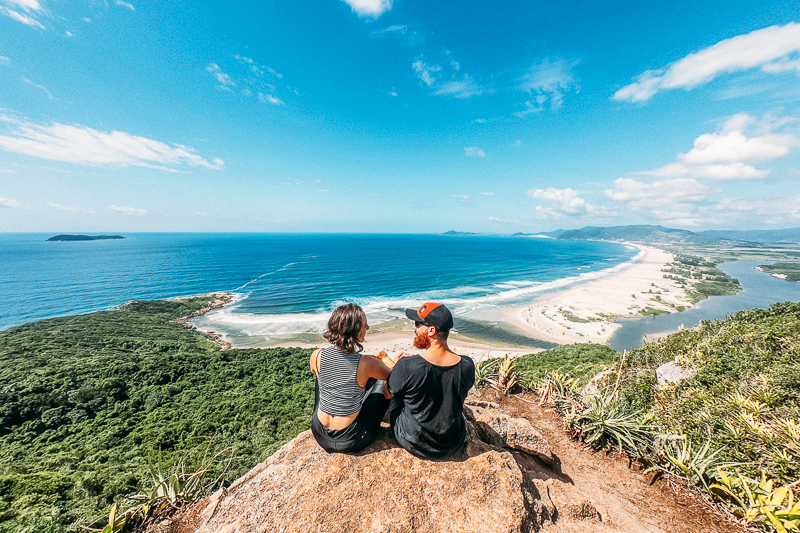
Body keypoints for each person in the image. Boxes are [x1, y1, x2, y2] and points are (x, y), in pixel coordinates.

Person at [386, 302, 475, 458]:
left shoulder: (407, 366)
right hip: (453, 441)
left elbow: (388, 393)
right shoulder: (467, 365)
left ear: (431, 330)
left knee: (391, 391)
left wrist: (395, 368)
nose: (414, 327)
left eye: (418, 324)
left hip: (415, 442)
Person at [310, 303, 391, 453]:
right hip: (352, 439)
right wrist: (385, 359)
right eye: (364, 326)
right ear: (355, 331)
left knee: (321, 377)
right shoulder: (366, 362)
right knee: (384, 381)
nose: (367, 328)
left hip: (319, 432)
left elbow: (326, 376)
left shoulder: (316, 355)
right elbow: (395, 377)